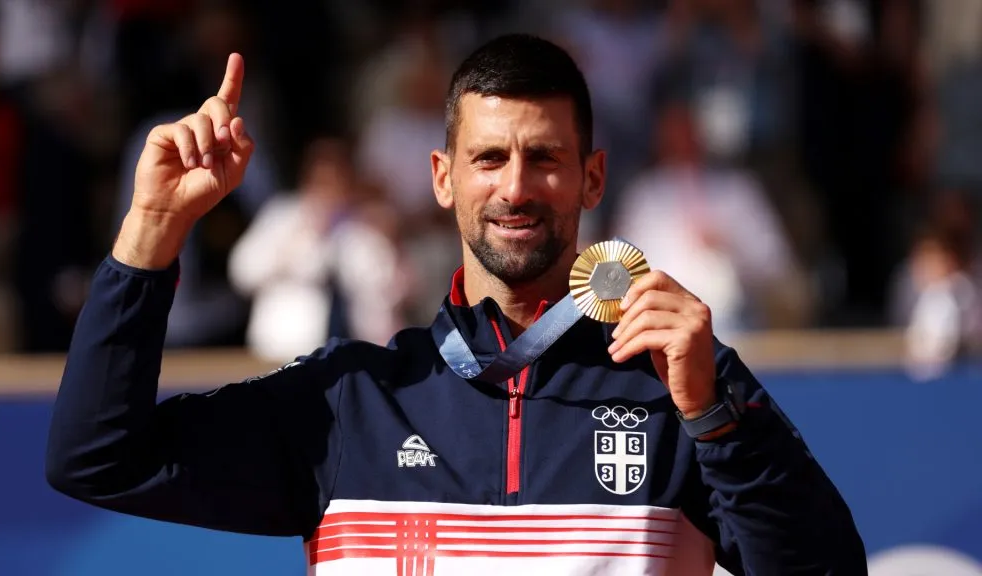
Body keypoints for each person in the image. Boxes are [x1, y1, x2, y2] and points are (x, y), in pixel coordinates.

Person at [45, 34, 867, 575]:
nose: (515, 187)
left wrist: (719, 416)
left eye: (545, 157)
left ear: (592, 178)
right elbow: (96, 458)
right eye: (488, 157)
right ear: (442, 177)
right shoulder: (347, 400)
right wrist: (153, 228)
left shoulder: (672, 384)